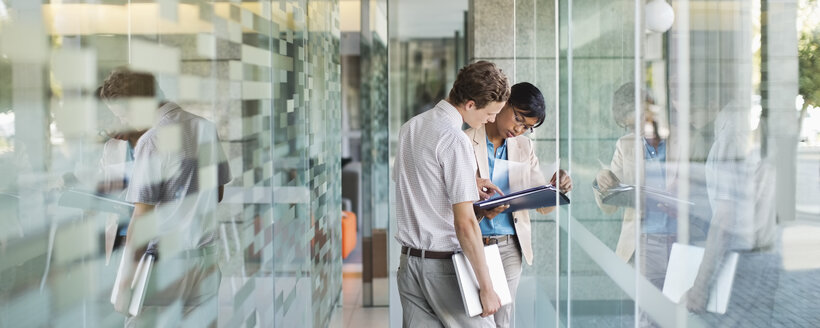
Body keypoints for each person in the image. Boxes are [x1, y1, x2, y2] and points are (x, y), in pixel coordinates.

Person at [103, 69, 231, 328]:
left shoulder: (151, 141)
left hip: (166, 267)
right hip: (205, 260)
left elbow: (142, 220)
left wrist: (125, 284)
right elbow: (217, 193)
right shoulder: (205, 127)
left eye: (124, 114)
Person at [394, 60, 510, 327]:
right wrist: (487, 287)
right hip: (444, 269)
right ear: (470, 104)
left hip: (410, 265)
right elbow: (465, 223)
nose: (491, 120)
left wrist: (469, 182)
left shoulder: (411, 127)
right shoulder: (455, 140)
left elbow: (420, 182)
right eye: (490, 113)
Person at [464, 82, 572, 328]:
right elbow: (453, 200)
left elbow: (541, 202)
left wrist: (557, 187)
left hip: (509, 247)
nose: (519, 129)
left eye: (527, 127)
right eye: (519, 119)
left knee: (503, 322)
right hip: (473, 245)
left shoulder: (523, 146)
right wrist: (479, 208)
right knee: (473, 320)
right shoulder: (466, 140)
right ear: (504, 104)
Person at [682, 100, 780, 326]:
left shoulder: (727, 143)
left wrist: (699, 286)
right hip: (763, 261)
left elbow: (724, 221)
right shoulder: (758, 144)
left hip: (736, 266)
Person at [594, 83, 675, 327]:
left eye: (640, 121)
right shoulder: (626, 144)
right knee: (647, 316)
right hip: (644, 242)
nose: (637, 130)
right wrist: (602, 183)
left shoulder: (678, 139)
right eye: (630, 126)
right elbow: (609, 205)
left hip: (680, 238)